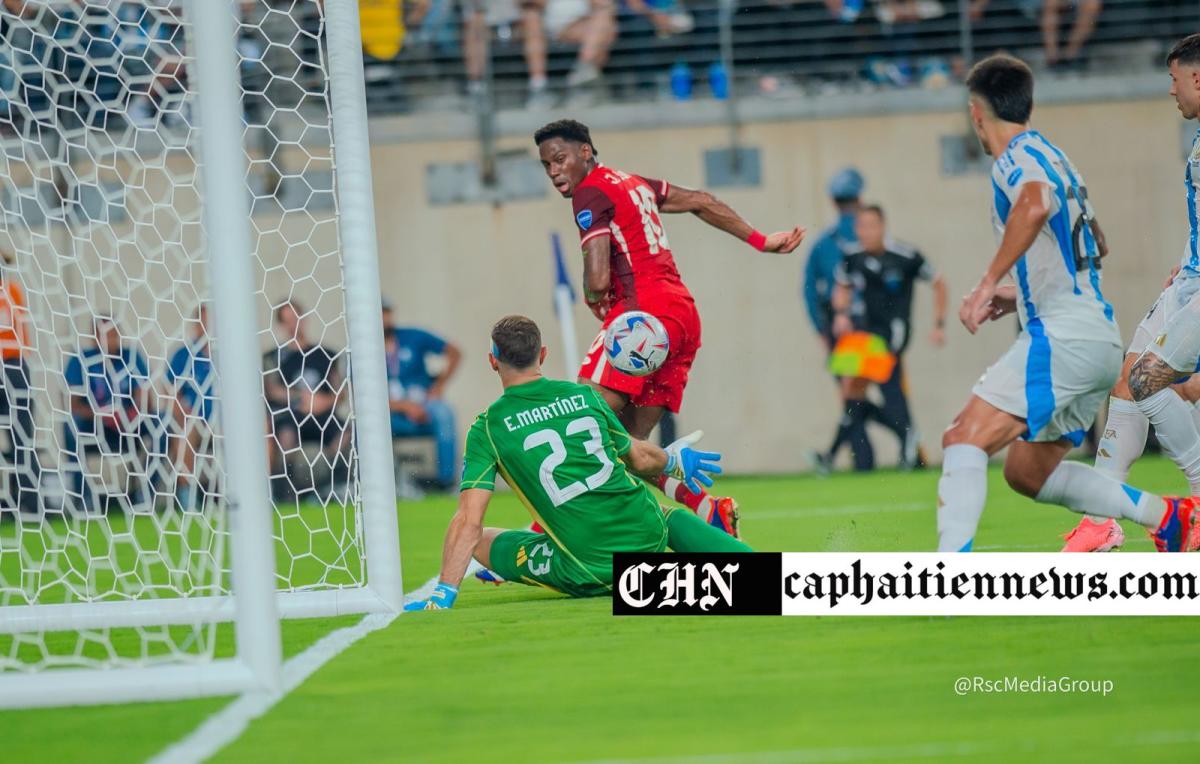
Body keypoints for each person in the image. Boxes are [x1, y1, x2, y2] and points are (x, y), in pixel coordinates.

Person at [937, 53, 1199, 554]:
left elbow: (1034, 206)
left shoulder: (1014, 159)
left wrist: (987, 282)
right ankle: (1166, 517)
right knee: (1026, 473)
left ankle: (950, 579)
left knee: (962, 439)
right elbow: (1094, 243)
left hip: (1061, 336)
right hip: (1095, 334)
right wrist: (1019, 294)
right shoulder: (1056, 155)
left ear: (976, 112)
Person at [534, 118, 805, 537]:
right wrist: (760, 240)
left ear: (585, 151)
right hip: (682, 317)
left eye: (559, 159)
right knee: (628, 445)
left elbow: (599, 278)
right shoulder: (633, 182)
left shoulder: (590, 192)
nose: (554, 171)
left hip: (642, 321)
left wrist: (593, 302)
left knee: (582, 418)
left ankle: (544, 533)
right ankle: (706, 507)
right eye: (546, 165)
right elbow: (699, 200)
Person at [403, 315, 749, 611]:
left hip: (585, 567)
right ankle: (755, 569)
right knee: (663, 515)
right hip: (647, 536)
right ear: (542, 354)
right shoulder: (583, 396)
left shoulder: (488, 428)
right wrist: (672, 461)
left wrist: (444, 591)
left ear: (493, 361)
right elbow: (641, 458)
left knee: (482, 540)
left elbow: (469, 520)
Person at [1061, 34, 1200, 552]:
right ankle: (1101, 520)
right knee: (1128, 378)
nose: (1171, 91)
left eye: (1174, 78)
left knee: (1146, 381)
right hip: (1189, 278)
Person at [818, 204, 946, 472]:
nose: (867, 232)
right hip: (861, 335)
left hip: (891, 335)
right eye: (862, 227)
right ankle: (906, 437)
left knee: (869, 391)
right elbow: (841, 290)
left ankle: (830, 456)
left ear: (883, 226)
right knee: (853, 393)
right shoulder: (852, 257)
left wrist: (939, 324)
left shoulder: (905, 256)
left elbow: (939, 283)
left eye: (872, 226)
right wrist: (841, 313)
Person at [63, 317, 155, 513]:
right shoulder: (80, 359)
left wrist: (131, 413)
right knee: (70, 425)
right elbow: (72, 404)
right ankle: (83, 498)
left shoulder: (131, 356)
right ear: (94, 337)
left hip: (129, 424)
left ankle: (146, 495)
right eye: (103, 335)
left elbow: (146, 398)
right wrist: (102, 414)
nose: (108, 340)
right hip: (95, 425)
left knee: (161, 424)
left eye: (112, 335)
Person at [263, 301, 350, 502]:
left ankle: (331, 486)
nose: (294, 324)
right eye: (288, 320)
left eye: (297, 318)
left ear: (305, 319)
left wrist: (323, 401)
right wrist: (301, 398)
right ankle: (286, 493)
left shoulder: (326, 354)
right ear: (281, 325)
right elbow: (271, 389)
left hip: (323, 416)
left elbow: (341, 392)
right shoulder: (274, 357)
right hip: (292, 416)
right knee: (285, 437)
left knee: (348, 432)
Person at [383, 302, 462, 489]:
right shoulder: (364, 351)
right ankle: (378, 483)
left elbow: (455, 352)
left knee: (443, 412)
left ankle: (446, 481)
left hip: (425, 408)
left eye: (386, 313)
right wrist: (403, 406)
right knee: (367, 423)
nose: (384, 318)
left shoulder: (413, 337)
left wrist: (439, 387)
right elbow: (360, 397)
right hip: (391, 413)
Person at [165, 304, 215, 511]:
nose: (207, 327)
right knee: (186, 431)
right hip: (196, 421)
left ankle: (264, 489)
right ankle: (187, 496)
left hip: (226, 422)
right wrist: (183, 413)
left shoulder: (229, 353)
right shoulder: (183, 356)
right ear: (195, 326)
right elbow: (170, 390)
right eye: (203, 322)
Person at [0, 256, 36, 516]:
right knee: (21, 439)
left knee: (22, 438)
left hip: (12, 365)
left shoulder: (11, 290)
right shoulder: (12, 289)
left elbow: (21, 334)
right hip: (15, 365)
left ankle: (31, 503)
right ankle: (28, 504)